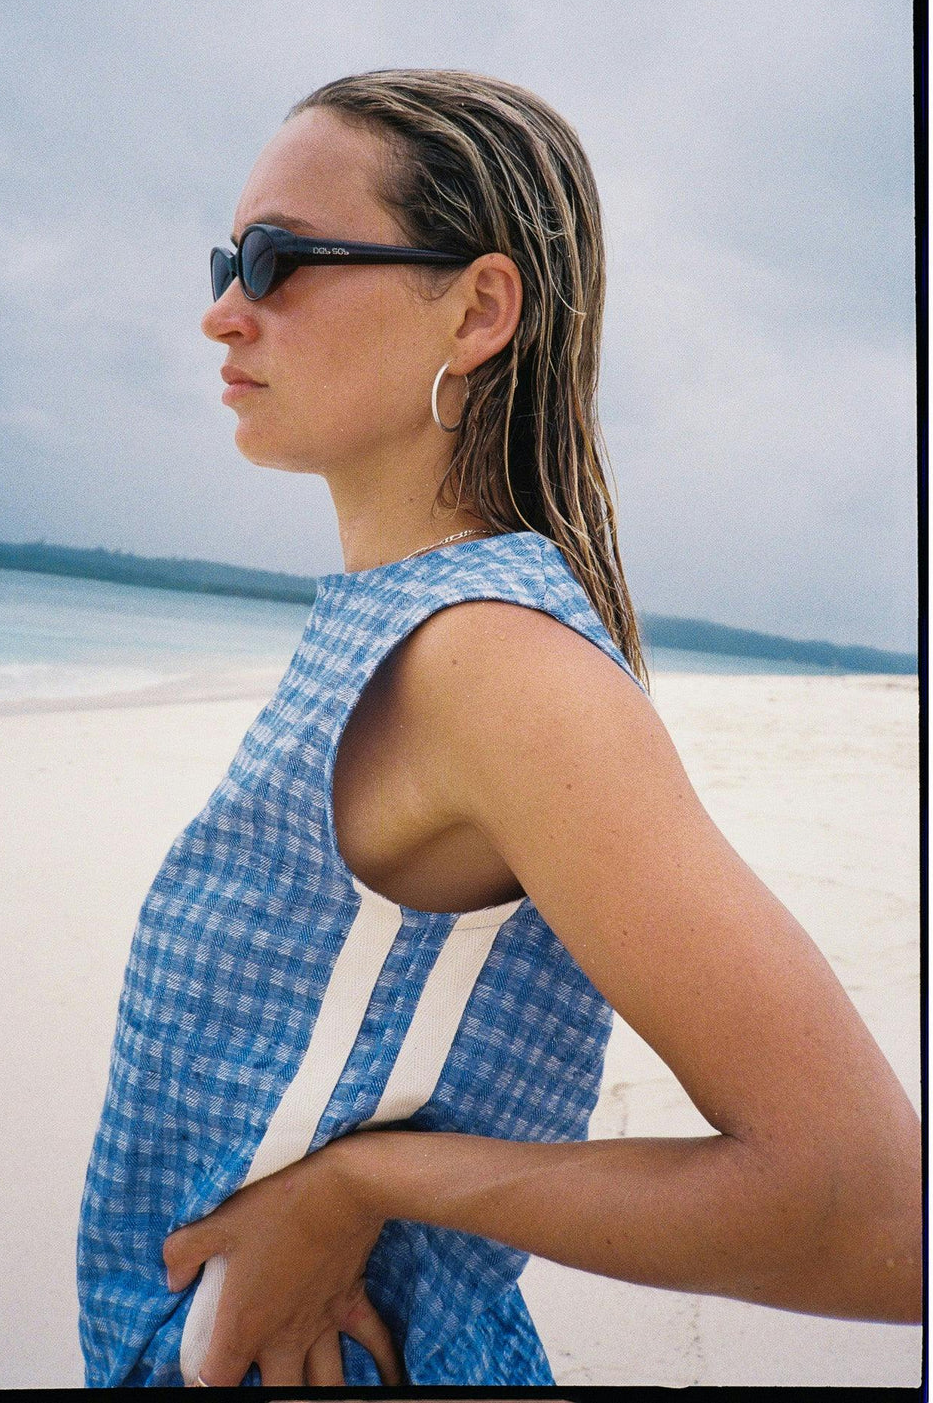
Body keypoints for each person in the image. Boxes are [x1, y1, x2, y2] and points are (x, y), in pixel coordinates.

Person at [76, 69, 921, 1388]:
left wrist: (366, 1184)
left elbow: (872, 1211)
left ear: (476, 308)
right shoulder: (407, 627)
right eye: (225, 256)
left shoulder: (491, 665)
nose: (221, 310)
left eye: (278, 257)